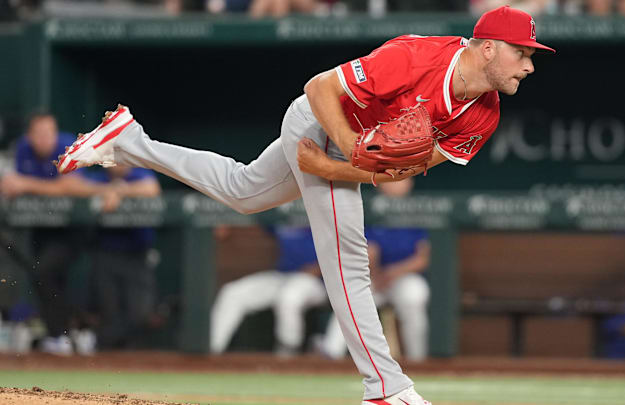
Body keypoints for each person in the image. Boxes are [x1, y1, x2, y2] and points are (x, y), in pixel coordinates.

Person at [56, 6, 553, 404]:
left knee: (242, 190)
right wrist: (344, 148)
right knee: (347, 256)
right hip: (321, 120)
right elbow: (319, 88)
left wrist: (338, 168)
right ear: (488, 48)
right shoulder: (416, 57)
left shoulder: (484, 113)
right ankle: (386, 389)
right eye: (522, 53)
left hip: (343, 152)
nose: (530, 65)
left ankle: (127, 140)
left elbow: (408, 168)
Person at [0, 112, 112, 356]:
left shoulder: (66, 145)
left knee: (45, 272)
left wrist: (26, 184)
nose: (44, 140)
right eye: (39, 134)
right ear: (30, 136)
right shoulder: (23, 149)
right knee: (46, 278)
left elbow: (71, 186)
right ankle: (64, 334)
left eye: (48, 133)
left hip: (74, 227)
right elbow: (13, 186)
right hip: (42, 229)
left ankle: (67, 331)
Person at [323, 178, 431, 362]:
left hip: (404, 277)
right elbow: (368, 250)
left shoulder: (418, 209)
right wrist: (376, 275)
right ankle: (330, 355)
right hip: (374, 277)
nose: (398, 184)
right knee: (351, 297)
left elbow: (422, 258)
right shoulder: (369, 208)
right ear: (380, 183)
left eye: (403, 180)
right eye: (392, 180)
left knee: (414, 297)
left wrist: (392, 273)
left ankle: (418, 360)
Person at [210, 225, 329, 355]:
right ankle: (211, 352)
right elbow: (251, 215)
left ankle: (288, 355)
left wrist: (318, 268)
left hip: (317, 283)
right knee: (232, 293)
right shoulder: (282, 210)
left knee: (289, 297)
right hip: (284, 275)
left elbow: (340, 249)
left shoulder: (322, 211)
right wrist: (227, 222)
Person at [83, 165, 162, 350]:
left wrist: (120, 190)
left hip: (137, 254)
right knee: (108, 313)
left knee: (140, 314)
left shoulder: (140, 174)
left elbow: (152, 188)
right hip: (105, 253)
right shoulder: (98, 177)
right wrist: (107, 190)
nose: (119, 163)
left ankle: (130, 357)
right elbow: (74, 187)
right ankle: (106, 359)